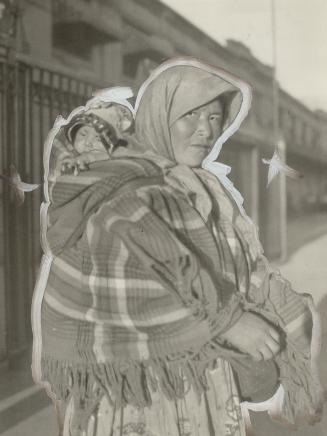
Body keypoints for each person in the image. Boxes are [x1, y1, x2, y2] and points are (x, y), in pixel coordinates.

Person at [33, 58, 323, 436]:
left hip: (200, 390)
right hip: (130, 393)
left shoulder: (205, 188)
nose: (205, 130)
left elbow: (240, 269)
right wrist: (229, 321)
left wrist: (279, 309)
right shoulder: (122, 186)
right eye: (191, 115)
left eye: (216, 118)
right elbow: (133, 278)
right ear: (159, 114)